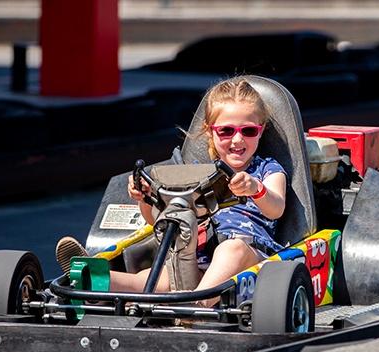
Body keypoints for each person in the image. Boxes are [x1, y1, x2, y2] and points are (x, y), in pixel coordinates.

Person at [56, 77, 287, 306]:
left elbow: (276, 209)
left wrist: (256, 189)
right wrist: (145, 197)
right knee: (153, 280)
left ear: (261, 130)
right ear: (210, 131)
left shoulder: (266, 169)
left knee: (231, 249)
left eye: (248, 130)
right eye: (226, 130)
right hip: (195, 255)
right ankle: (88, 279)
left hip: (250, 256)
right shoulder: (196, 174)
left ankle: (195, 306)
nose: (237, 139)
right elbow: (157, 220)